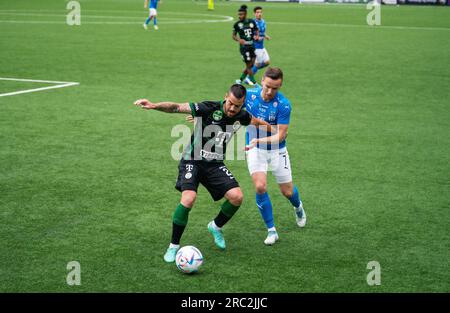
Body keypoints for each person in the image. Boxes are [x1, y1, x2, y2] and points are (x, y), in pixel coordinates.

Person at [134, 84, 275, 262]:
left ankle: (215, 226)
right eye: (230, 103)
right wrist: (154, 105)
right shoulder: (209, 107)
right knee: (189, 198)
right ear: (225, 97)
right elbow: (177, 107)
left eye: (237, 105)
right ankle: (173, 246)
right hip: (192, 160)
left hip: (214, 164)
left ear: (242, 104)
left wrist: (276, 130)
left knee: (237, 197)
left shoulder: (242, 115)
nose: (232, 108)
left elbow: (256, 122)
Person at [245, 67, 307, 245]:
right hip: (255, 149)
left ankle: (298, 207)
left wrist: (259, 142)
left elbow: (281, 135)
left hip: (277, 150)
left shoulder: (283, 104)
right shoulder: (249, 96)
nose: (270, 91)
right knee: (260, 186)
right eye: (268, 86)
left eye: (275, 88)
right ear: (262, 81)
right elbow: (228, 107)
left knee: (287, 191)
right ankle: (271, 230)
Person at [232, 5, 259, 86]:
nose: (240, 16)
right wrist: (239, 40)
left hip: (252, 46)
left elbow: (256, 29)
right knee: (248, 66)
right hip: (244, 48)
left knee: (251, 64)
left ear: (245, 14)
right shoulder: (237, 24)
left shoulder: (251, 22)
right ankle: (254, 83)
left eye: (241, 14)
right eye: (239, 14)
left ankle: (240, 80)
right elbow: (233, 35)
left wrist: (256, 35)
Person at [245, 6, 271, 85]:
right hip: (255, 47)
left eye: (260, 12)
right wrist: (255, 37)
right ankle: (248, 78)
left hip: (262, 46)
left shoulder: (263, 21)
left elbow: (262, 32)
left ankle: (252, 69)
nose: (259, 14)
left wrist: (265, 36)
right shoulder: (252, 23)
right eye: (257, 12)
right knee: (258, 64)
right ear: (254, 13)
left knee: (267, 62)